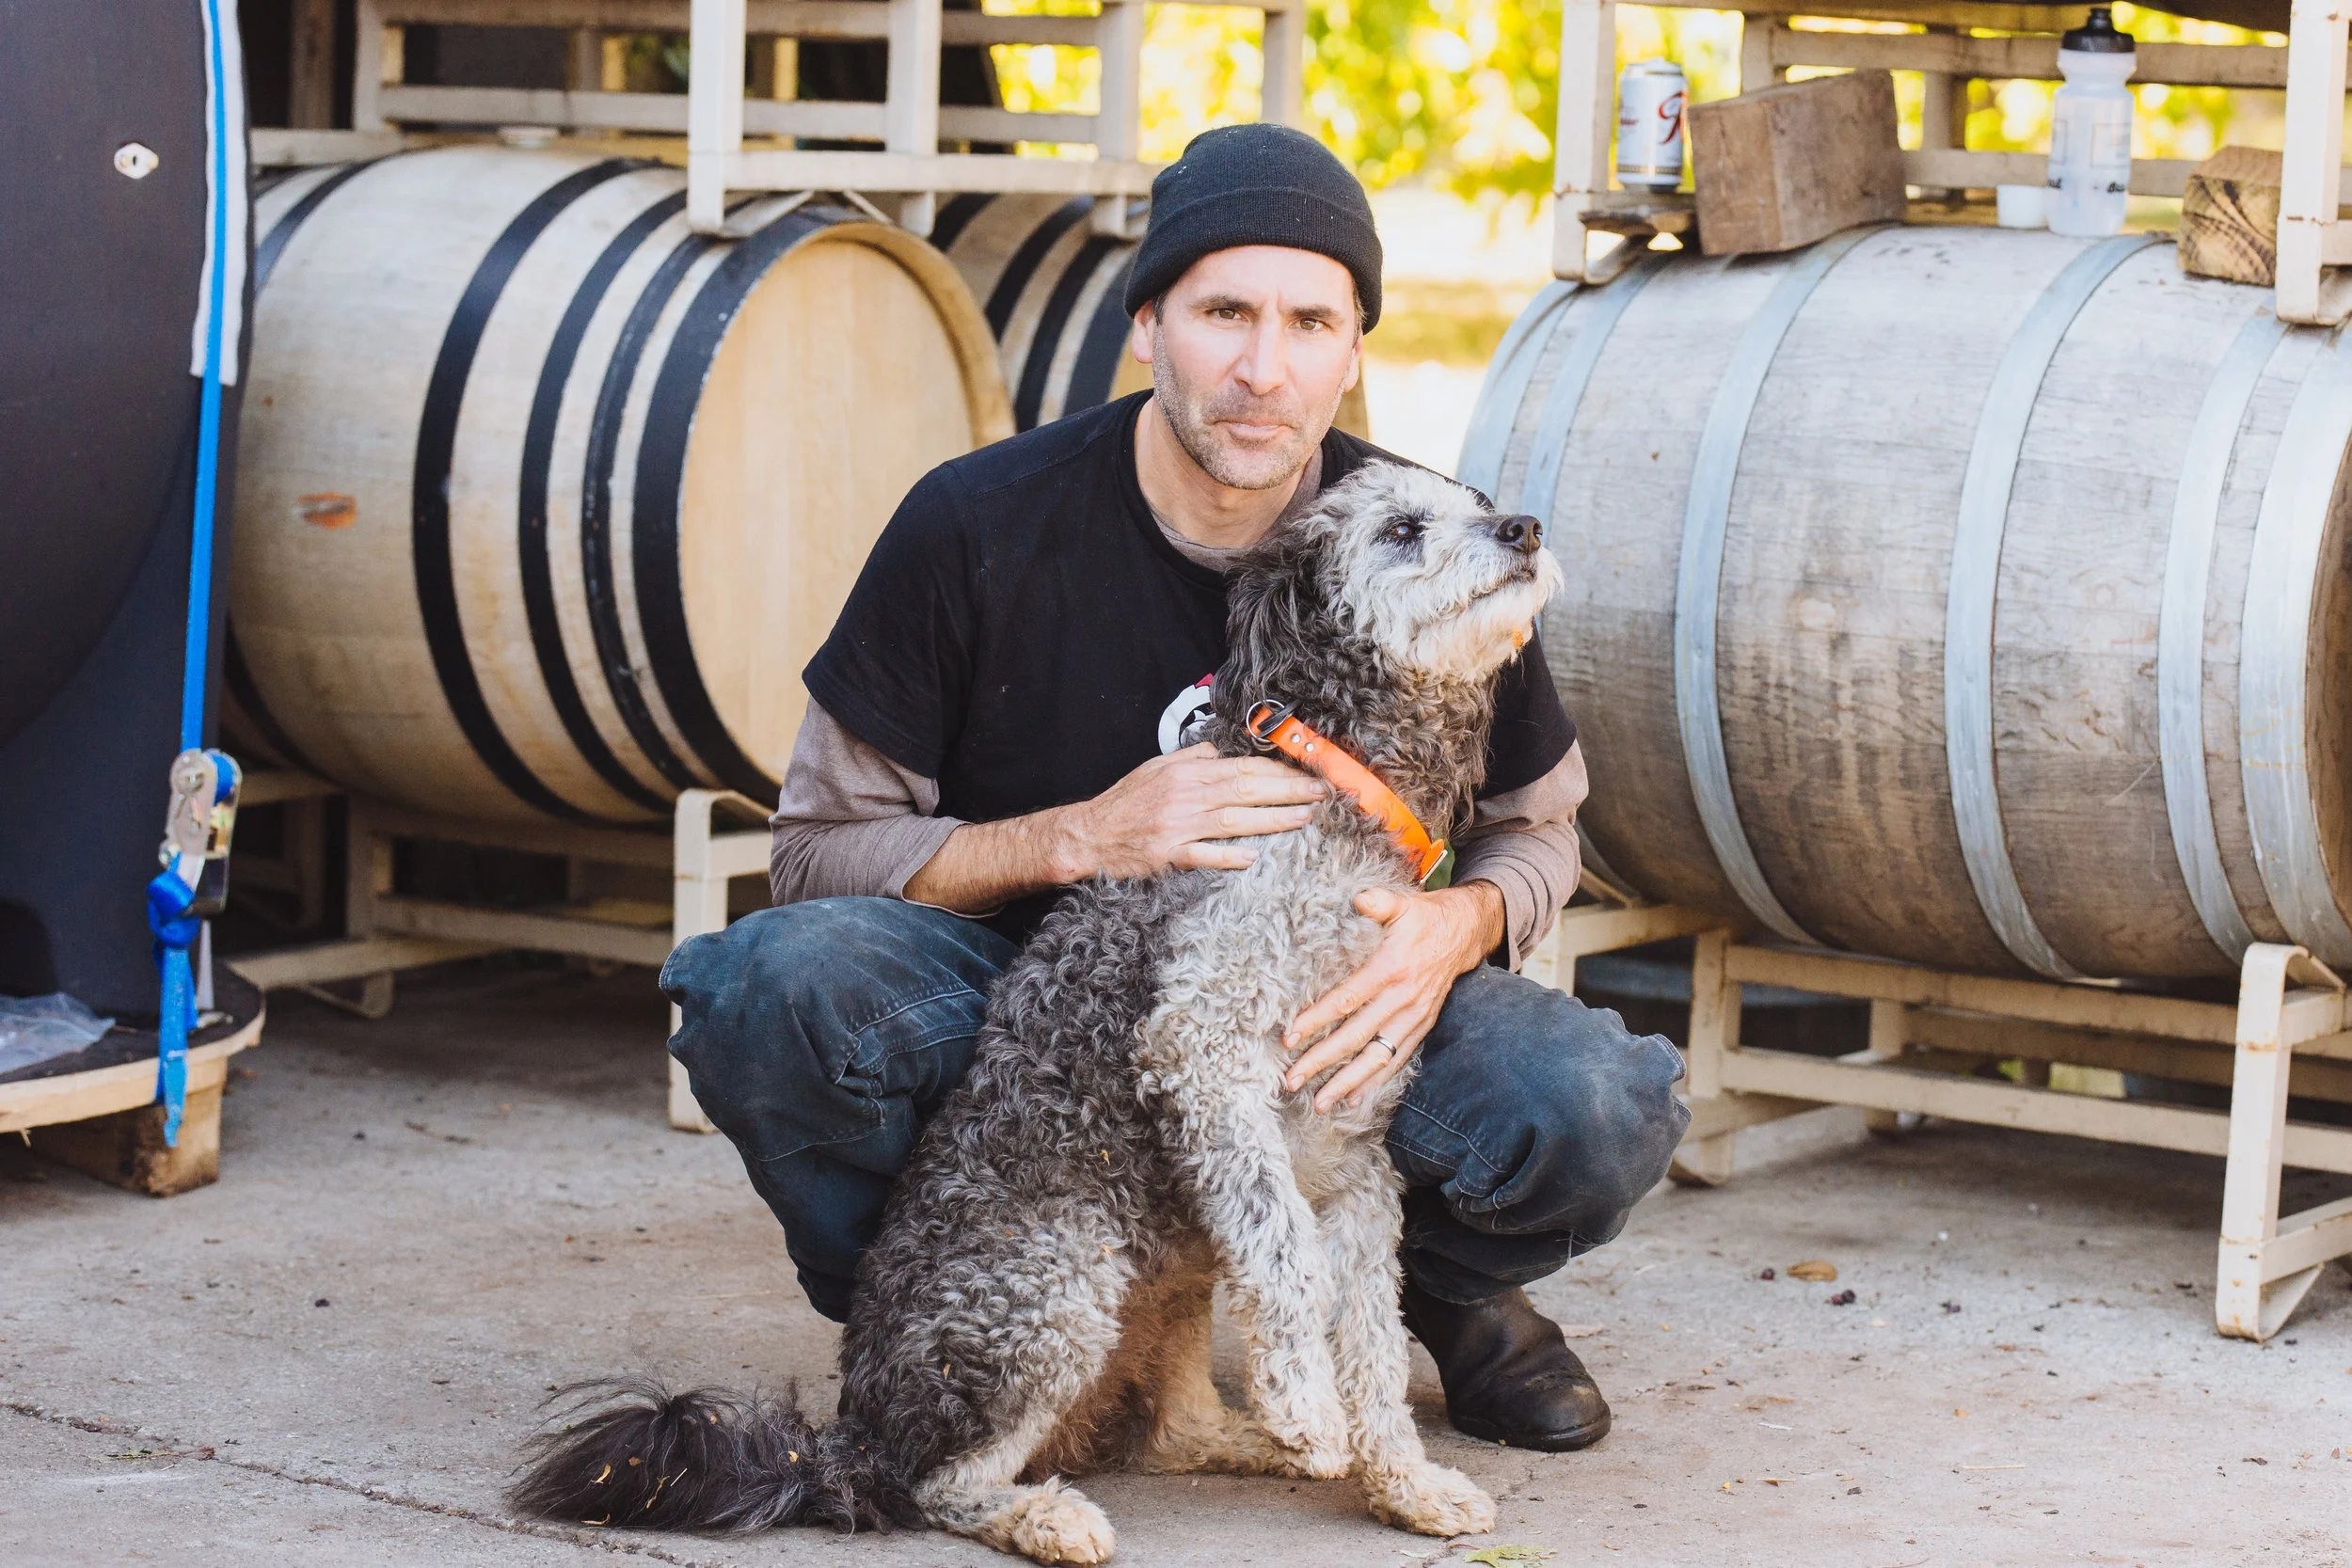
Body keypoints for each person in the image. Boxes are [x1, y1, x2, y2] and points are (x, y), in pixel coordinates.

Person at [662, 122, 1689, 1452]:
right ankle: (973, 1337)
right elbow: (813, 852)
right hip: (1023, 1028)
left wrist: (1463, 925)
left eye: (1312, 321)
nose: (1266, 369)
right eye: (1223, 312)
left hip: (1322, 1015)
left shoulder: (1423, 534)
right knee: (767, 991)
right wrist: (1078, 835)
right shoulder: (976, 523)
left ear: (1355, 346)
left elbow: (1538, 825)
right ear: (1148, 322)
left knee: (1593, 1103)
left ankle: (1447, 1294)